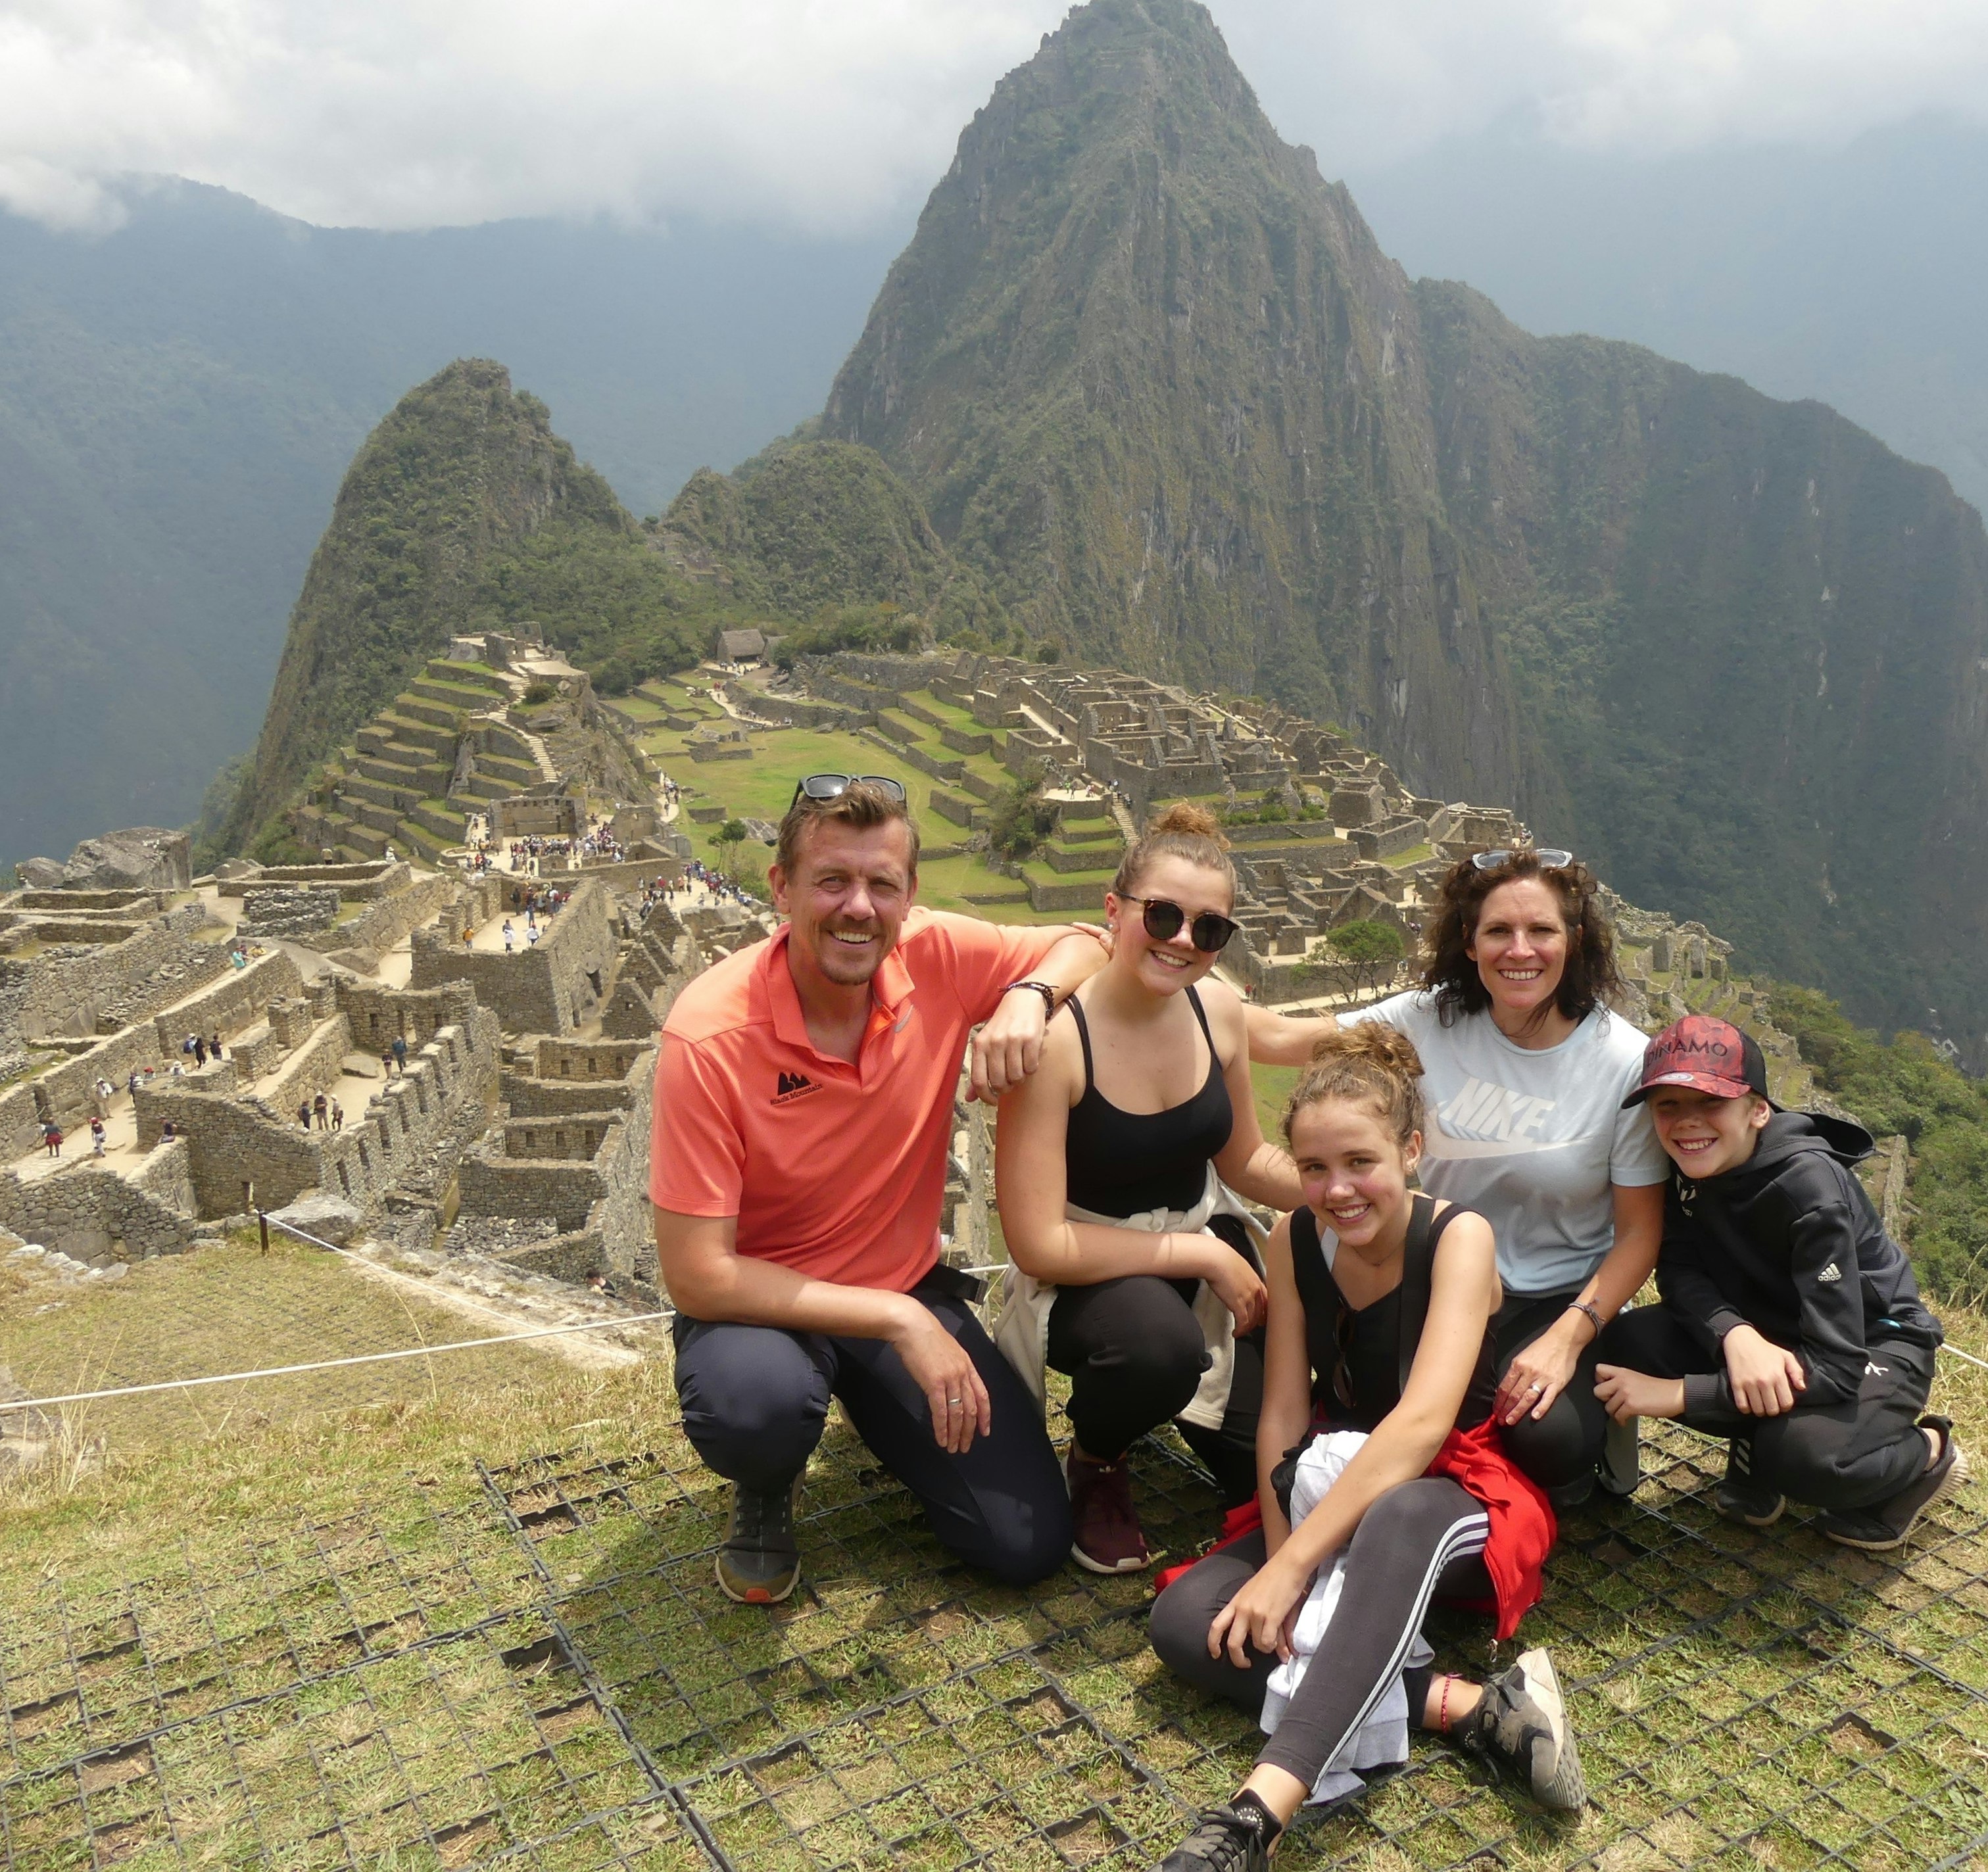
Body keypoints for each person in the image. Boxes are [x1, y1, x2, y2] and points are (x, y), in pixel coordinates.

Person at [650, 775, 1111, 1605]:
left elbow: (1087, 940)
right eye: (831, 881)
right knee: (757, 1410)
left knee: (1026, 1543)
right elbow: (697, 1274)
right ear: (782, 888)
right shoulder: (711, 1034)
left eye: (881, 885)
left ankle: (874, 1405)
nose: (857, 907)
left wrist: (1025, 995)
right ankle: (768, 1482)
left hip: (897, 1279)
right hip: (765, 1307)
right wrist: (901, 1320)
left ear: (909, 898)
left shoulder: (935, 955)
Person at [1148, 1027, 1578, 1871]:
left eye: (1360, 1162)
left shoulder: (1458, 1238)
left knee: (1400, 1516)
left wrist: (1290, 1573)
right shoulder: (1293, 1239)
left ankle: (1252, 1819)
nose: (1336, 1189)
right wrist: (1285, 1566)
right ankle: (1469, 1707)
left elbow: (1422, 1426)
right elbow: (1280, 1418)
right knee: (1185, 1621)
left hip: (1452, 1490)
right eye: (1314, 1169)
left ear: (1411, 1151)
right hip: (1332, 1483)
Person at [1249, 848, 1668, 1506]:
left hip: (1547, 1297)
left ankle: (1578, 1438)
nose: (1520, 950)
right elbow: (1274, 1038)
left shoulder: (1622, 1062)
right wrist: (1121, 964)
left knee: (1550, 1438)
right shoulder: (1427, 1020)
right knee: (1365, 1399)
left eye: (1542, 932)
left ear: (1575, 939)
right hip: (1428, 1275)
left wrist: (1566, 1339)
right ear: (1469, 942)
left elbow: (1639, 1234)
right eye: (1499, 931)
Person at [992, 804, 1300, 1573]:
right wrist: (1201, 1257)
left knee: (1262, 1470)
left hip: (1197, 1240)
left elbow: (1245, 1165)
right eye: (1161, 915)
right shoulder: (1057, 1044)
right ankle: (1098, 1458)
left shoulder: (1218, 1011)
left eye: (1209, 929)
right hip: (1086, 1269)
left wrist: (1351, 1192)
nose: (1182, 941)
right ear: (1114, 910)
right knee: (1156, 1352)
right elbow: (1039, 1243)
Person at [1590, 1016, 1968, 1550]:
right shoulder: (1684, 1163)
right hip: (1768, 1324)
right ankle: (1755, 1442)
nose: (1686, 1123)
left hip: (1869, 1342)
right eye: (1668, 1105)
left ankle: (1928, 1454)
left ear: (1758, 1111)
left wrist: (1681, 1394)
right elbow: (1678, 1268)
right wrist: (1734, 1335)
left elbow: (1836, 1368)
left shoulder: (1807, 1189)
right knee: (1631, 1343)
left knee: (1807, 1458)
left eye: (1712, 1103)